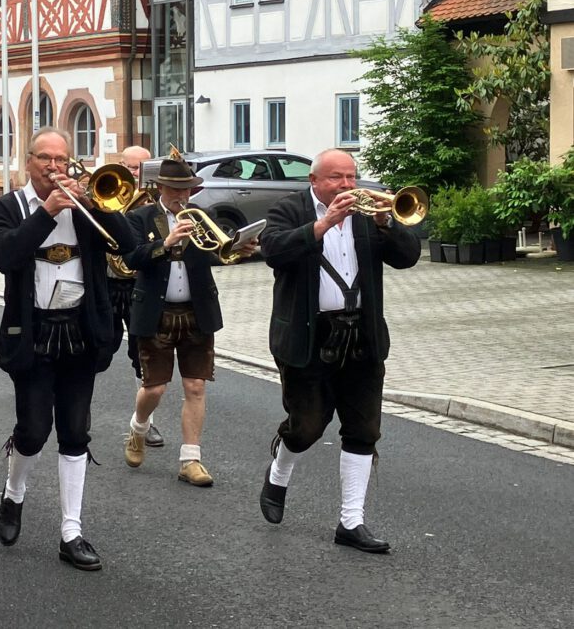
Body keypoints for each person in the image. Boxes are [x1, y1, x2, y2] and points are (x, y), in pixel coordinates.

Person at [0, 128, 135, 572]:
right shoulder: (10, 206)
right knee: (32, 431)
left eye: (62, 159)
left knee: (75, 431)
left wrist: (98, 205)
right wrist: (47, 213)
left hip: (80, 332)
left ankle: (72, 530)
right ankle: (14, 495)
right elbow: (4, 256)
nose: (55, 167)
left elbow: (129, 246)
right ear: (28, 161)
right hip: (32, 332)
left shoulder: (86, 205)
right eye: (45, 159)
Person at [258, 149, 420, 554]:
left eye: (352, 176)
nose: (347, 185)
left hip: (361, 336)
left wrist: (387, 223)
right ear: (314, 181)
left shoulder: (370, 215)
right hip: (309, 336)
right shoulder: (288, 209)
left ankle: (351, 521)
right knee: (308, 427)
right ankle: (280, 467)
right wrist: (323, 224)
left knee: (363, 429)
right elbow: (273, 251)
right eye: (336, 178)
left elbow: (408, 257)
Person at [120, 157, 258, 486]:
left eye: (188, 189)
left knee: (195, 386)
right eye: (177, 189)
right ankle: (138, 427)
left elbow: (216, 253)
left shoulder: (203, 217)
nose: (183, 196)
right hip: (156, 312)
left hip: (197, 312)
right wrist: (165, 244)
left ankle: (190, 459)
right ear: (161, 188)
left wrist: (238, 251)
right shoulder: (139, 217)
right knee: (154, 387)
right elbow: (130, 258)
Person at [111, 145, 164, 448]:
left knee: (143, 353)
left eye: (140, 170)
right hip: (107, 283)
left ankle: (146, 423)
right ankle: (81, 414)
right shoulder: (106, 191)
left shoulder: (154, 204)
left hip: (139, 285)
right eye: (130, 168)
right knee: (97, 348)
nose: (134, 175)